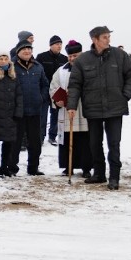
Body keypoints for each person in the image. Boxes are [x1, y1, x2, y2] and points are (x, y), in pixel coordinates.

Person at [67, 26, 131, 190]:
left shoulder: (120, 56)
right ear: (95, 39)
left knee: (114, 143)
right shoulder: (83, 60)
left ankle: (114, 177)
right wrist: (71, 105)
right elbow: (75, 84)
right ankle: (99, 173)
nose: (108, 40)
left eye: (108, 37)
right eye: (104, 37)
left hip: (115, 108)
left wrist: (124, 95)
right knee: (94, 143)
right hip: (93, 108)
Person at [51, 40, 91, 177]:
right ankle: (68, 166)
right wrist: (57, 101)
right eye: (70, 56)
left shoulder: (89, 68)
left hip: (85, 109)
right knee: (68, 139)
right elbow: (53, 87)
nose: (72, 59)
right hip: (67, 109)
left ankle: (86, 167)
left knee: (85, 139)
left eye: (76, 56)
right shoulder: (61, 71)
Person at [12, 40, 49, 176]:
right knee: (15, 141)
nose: (27, 51)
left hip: (35, 110)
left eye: (29, 49)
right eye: (24, 49)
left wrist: (41, 97)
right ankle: (12, 167)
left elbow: (45, 84)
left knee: (35, 141)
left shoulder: (38, 67)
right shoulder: (12, 66)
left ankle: (33, 168)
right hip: (18, 111)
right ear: (18, 52)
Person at [0, 49, 23, 178]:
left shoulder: (12, 75)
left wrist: (18, 112)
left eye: (5, 58)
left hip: (10, 114)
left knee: (8, 142)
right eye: (0, 58)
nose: (3, 61)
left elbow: (19, 95)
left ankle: (4, 166)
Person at [37, 35, 68, 146]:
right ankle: (40, 137)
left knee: (56, 114)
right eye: (57, 44)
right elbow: (37, 74)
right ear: (51, 45)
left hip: (57, 91)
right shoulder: (41, 57)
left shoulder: (64, 59)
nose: (59, 46)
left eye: (60, 44)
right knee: (42, 115)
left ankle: (52, 136)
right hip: (45, 90)